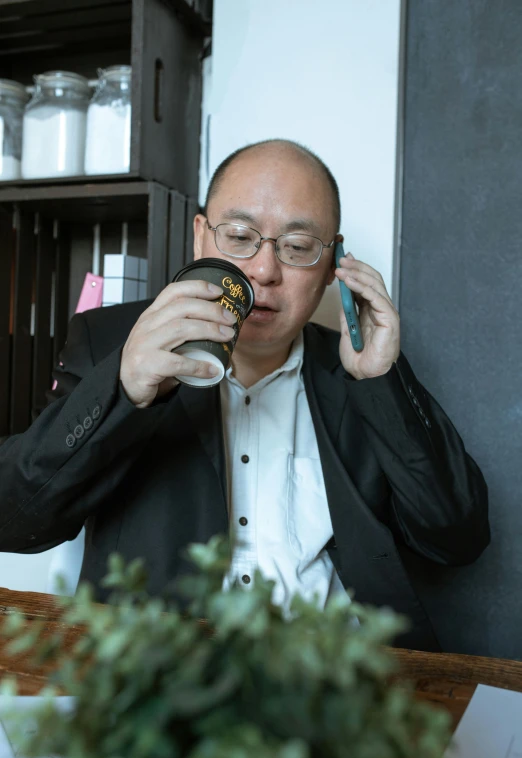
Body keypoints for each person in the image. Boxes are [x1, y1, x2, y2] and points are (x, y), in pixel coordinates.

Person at [0, 140, 489, 650]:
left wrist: (382, 381)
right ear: (199, 237)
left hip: (336, 686)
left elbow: (457, 540)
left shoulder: (356, 370)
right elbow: (14, 520)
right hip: (160, 687)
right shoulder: (110, 344)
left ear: (331, 265)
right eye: (239, 237)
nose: (262, 271)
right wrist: (123, 388)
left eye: (298, 247)